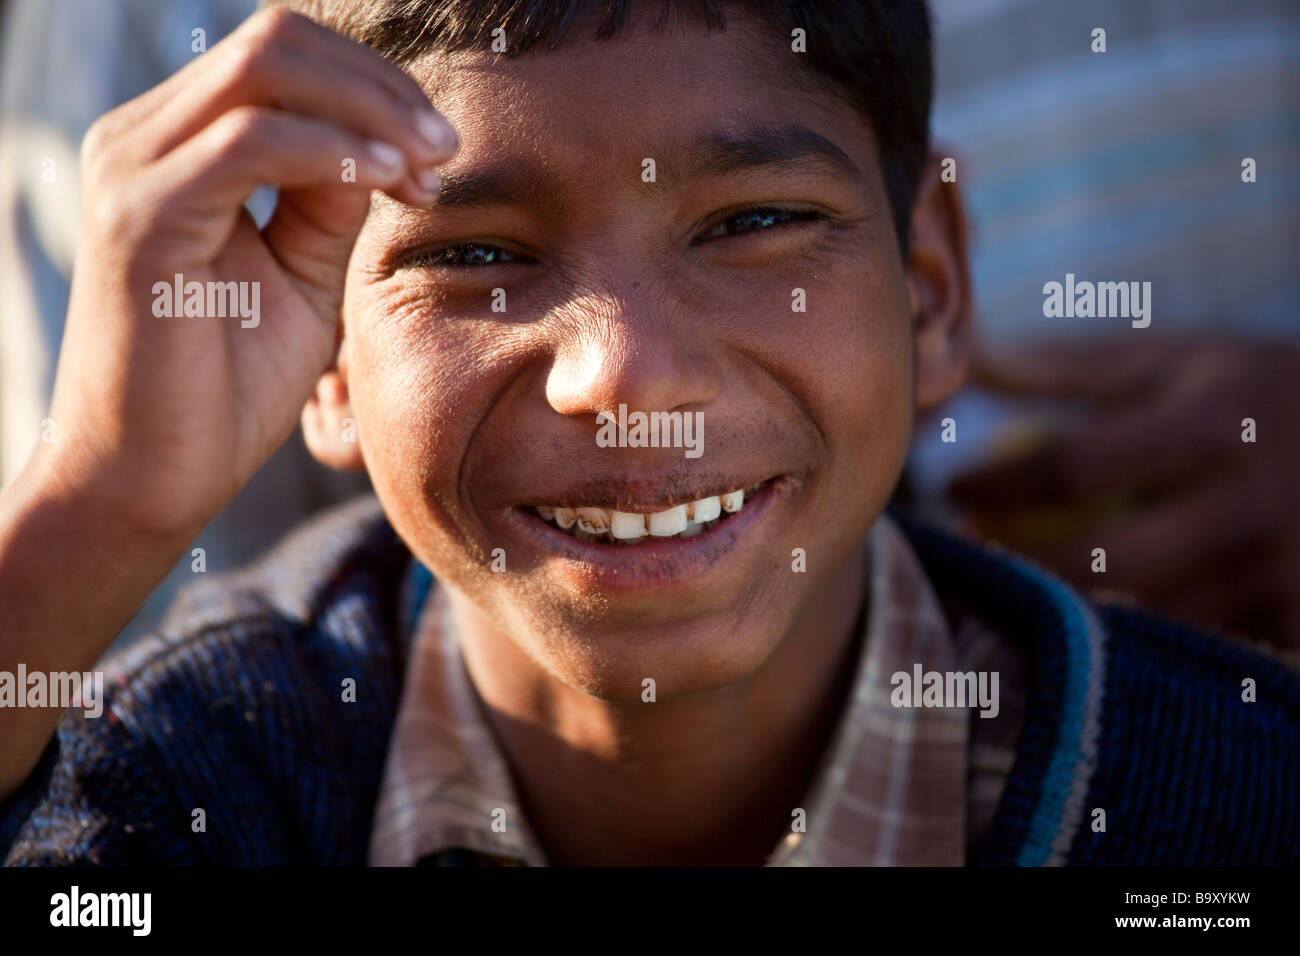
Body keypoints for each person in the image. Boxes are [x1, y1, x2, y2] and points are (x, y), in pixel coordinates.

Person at [0, 0, 1296, 867]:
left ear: (930, 291)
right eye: (475, 253)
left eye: (751, 226)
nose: (624, 377)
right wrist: (99, 507)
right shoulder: (188, 790)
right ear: (326, 356)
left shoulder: (1229, 794)